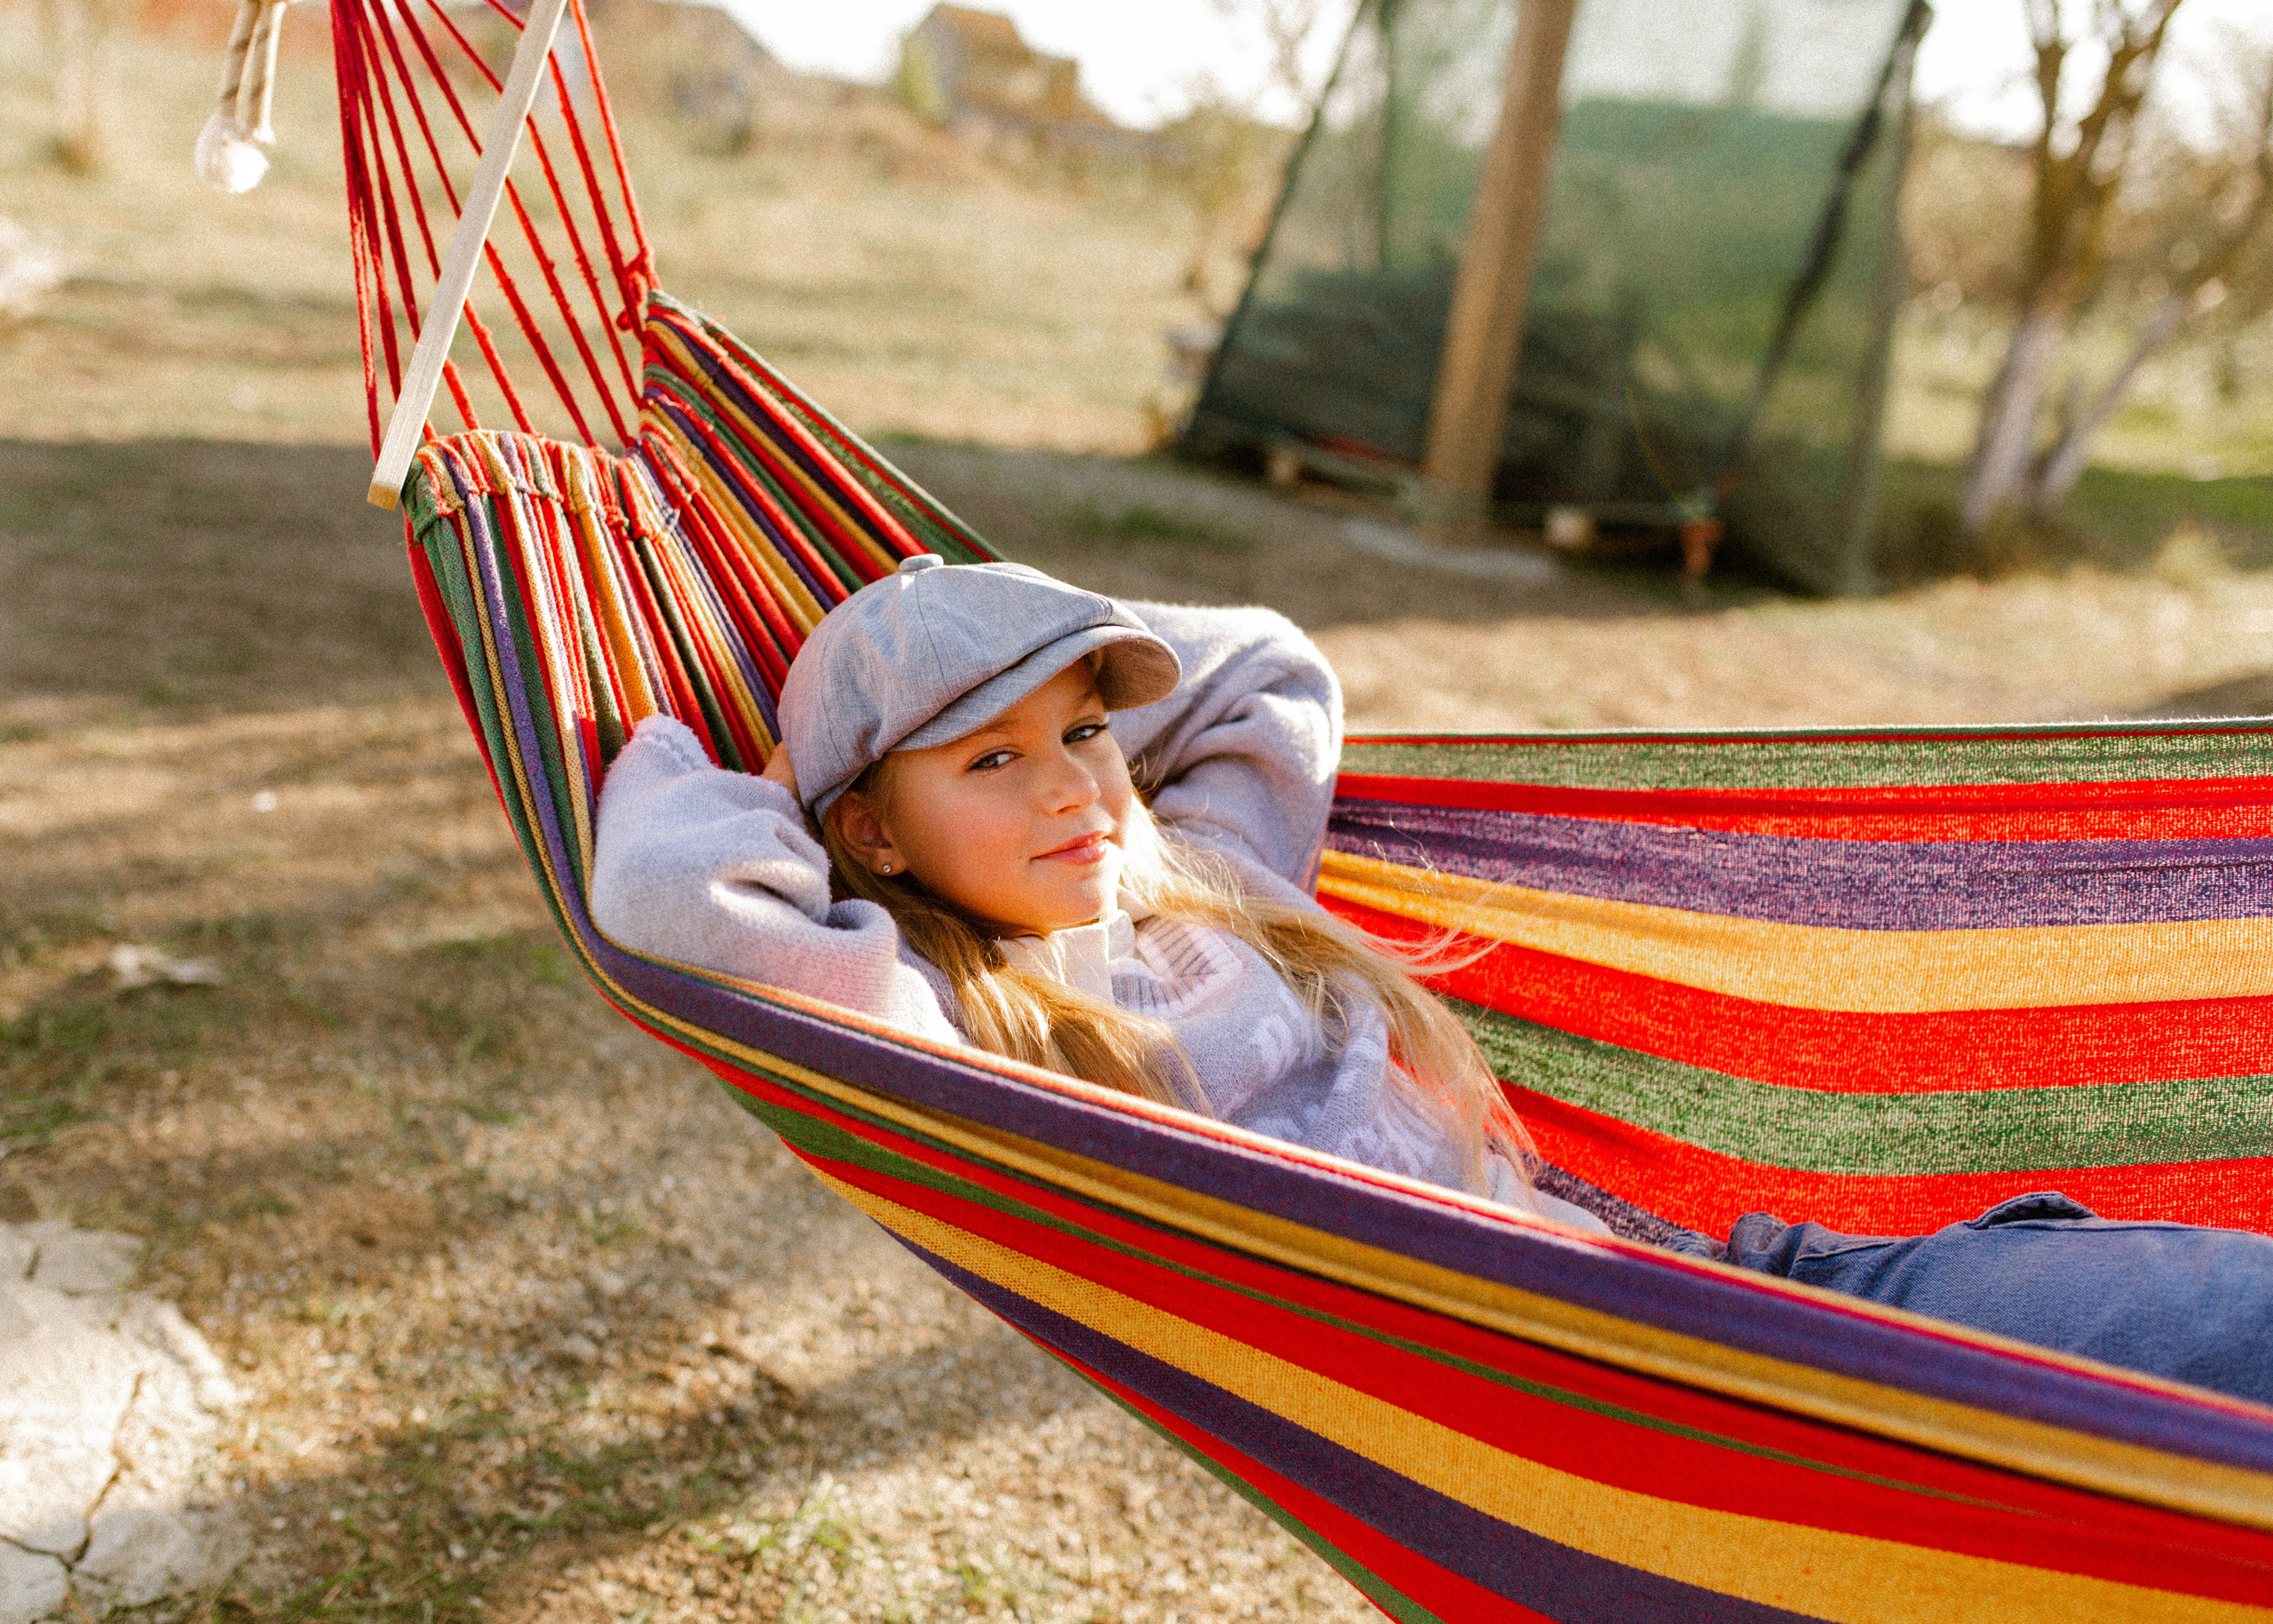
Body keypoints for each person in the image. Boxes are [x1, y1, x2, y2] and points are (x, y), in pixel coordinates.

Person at [592, 555, 2273, 1405]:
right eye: (993, 760)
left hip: (1755, 1277)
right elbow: (683, 893)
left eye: (1090, 731)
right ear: (872, 835)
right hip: (1656, 1381)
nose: (1075, 790)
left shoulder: (1212, 875)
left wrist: (1026, 667)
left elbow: (1263, 665)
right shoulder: (956, 1025)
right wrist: (722, 752)